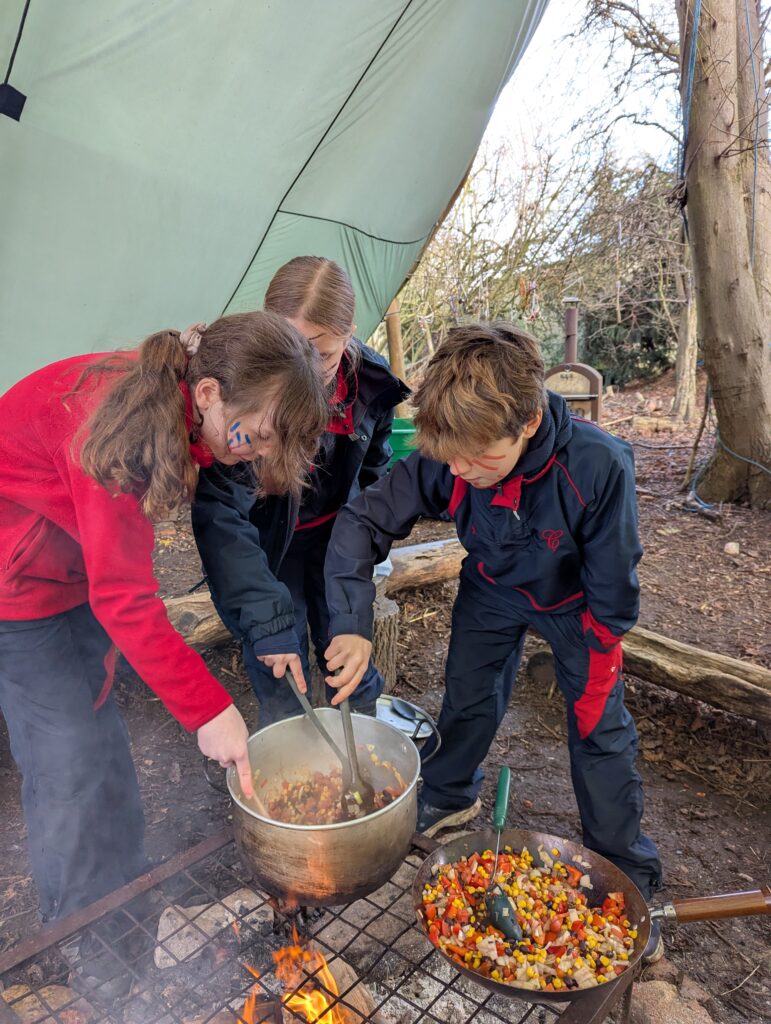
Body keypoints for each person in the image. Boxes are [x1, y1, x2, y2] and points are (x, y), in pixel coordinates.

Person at [322, 321, 665, 962]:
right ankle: (451, 792)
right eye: (450, 459)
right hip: (492, 585)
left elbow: (615, 573)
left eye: (478, 458)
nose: (459, 472)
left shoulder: (597, 464)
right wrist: (350, 624)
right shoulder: (449, 453)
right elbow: (362, 519)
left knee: (599, 730)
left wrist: (604, 639)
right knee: (469, 693)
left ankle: (627, 871)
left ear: (528, 421)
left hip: (577, 605)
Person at [0, 312, 328, 932]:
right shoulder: (121, 426)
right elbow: (123, 595)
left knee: (101, 744)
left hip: (67, 571)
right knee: (65, 762)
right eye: (255, 435)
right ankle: (80, 943)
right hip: (15, 586)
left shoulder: (184, 403)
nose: (257, 454)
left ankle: (123, 909)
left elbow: (114, 578)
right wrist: (210, 710)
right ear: (208, 392)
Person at [192, 256, 409, 725]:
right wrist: (267, 626)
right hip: (271, 543)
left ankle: (364, 748)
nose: (308, 373)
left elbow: (376, 474)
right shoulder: (242, 390)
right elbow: (222, 520)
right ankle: (288, 745)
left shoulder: (371, 385)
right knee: (277, 650)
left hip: (340, 541)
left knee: (346, 646)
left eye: (323, 354)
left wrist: (367, 545)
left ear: (350, 332)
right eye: (292, 348)